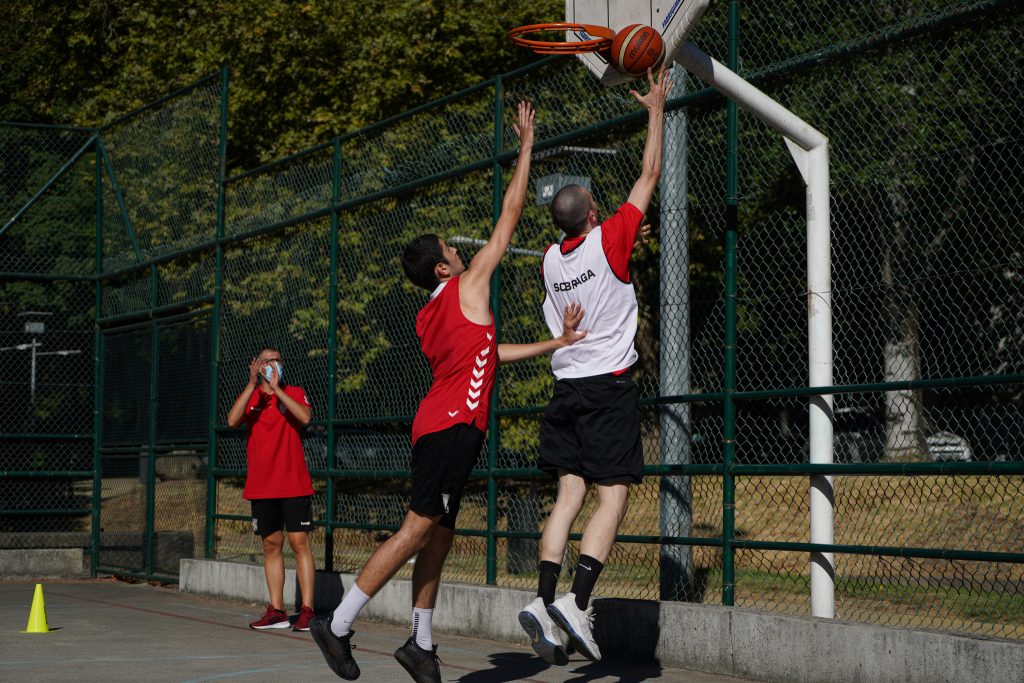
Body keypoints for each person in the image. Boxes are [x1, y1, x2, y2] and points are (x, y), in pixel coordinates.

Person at [310, 101, 585, 683]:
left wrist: (553, 343)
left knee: (438, 535)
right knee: (416, 530)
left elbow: (487, 356)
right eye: (451, 250)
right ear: (442, 269)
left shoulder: (430, 315)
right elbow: (511, 214)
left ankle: (421, 641)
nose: (460, 251)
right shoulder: (468, 283)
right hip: (451, 428)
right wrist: (527, 147)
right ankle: (337, 623)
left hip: (441, 423)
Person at [518, 66, 673, 665]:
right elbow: (650, 173)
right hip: (608, 387)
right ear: (592, 214)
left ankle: (541, 599)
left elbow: (586, 262)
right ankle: (579, 604)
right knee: (614, 498)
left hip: (566, 388)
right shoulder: (610, 238)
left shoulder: (550, 262)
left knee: (567, 498)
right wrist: (655, 107)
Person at [226, 347, 316, 632]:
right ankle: (277, 611)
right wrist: (253, 385)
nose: (271, 364)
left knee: (299, 543)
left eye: (276, 359)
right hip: (262, 487)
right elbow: (231, 420)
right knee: (271, 546)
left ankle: (308, 611)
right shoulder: (252, 396)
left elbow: (304, 417)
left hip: (293, 483)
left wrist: (278, 391)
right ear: (256, 365)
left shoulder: (295, 392)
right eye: (265, 360)